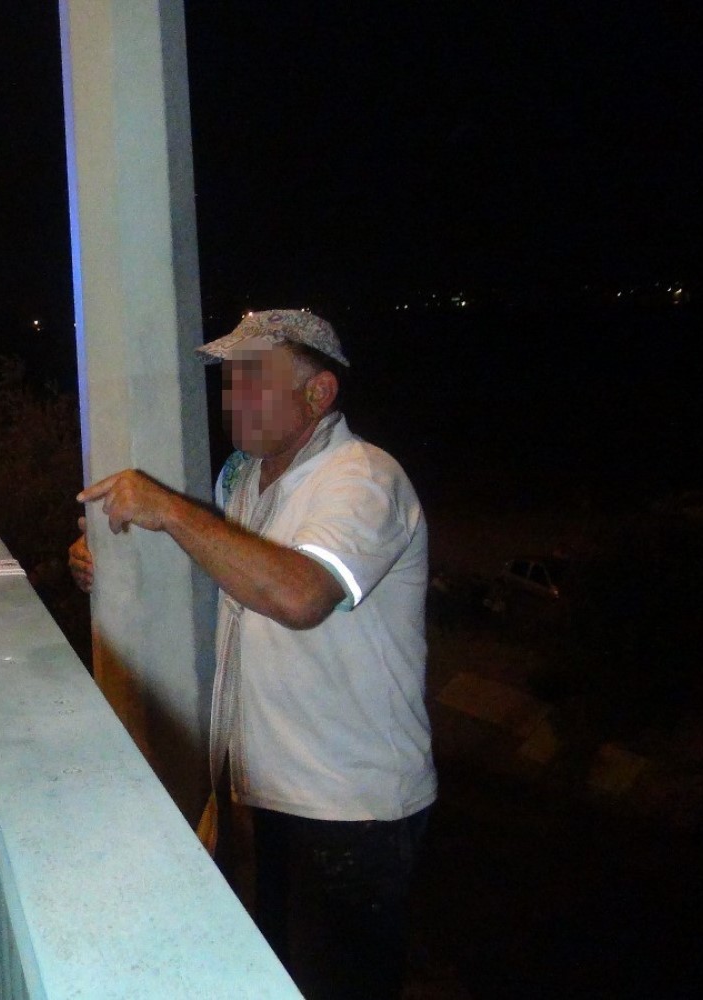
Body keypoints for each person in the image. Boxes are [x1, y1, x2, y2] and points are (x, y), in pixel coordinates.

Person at [69, 309, 432, 1000]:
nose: (233, 397)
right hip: (261, 794)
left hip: (349, 810)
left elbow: (299, 595)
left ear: (318, 393)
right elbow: (232, 572)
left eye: (254, 379)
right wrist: (108, 562)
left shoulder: (363, 479)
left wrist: (171, 511)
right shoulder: (243, 479)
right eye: (229, 380)